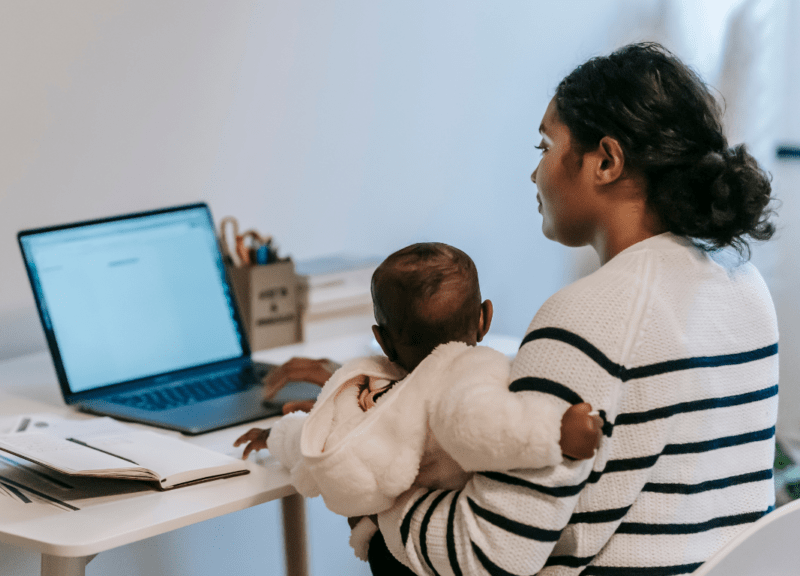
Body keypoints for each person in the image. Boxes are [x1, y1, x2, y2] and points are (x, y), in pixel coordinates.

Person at [262, 42, 779, 576]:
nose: (535, 174)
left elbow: (487, 554)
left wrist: (370, 485)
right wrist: (396, 398)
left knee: (382, 546)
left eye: (545, 146)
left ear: (605, 160)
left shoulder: (591, 314)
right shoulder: (742, 284)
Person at [236, 242, 602, 561]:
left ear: (382, 340)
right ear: (485, 318)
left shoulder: (373, 398)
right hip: (436, 541)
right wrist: (557, 431)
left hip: (400, 541)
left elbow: (318, 445)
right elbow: (491, 427)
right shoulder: (470, 380)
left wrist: (275, 436)